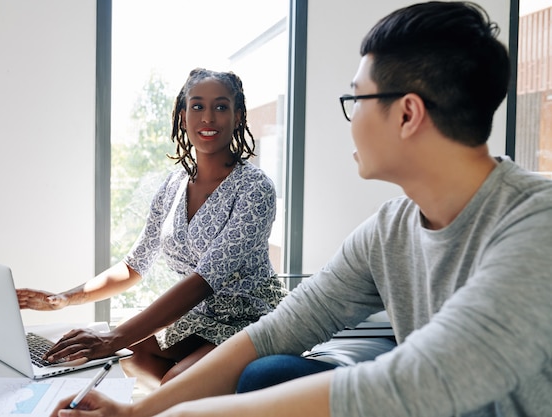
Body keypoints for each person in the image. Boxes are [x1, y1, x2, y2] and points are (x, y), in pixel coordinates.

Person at [50, 2, 552, 416]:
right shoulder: (387, 232)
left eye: (356, 99)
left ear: (406, 113)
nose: (351, 118)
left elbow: (420, 380)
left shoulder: (536, 224)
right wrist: (137, 412)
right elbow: (278, 330)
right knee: (266, 370)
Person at [17, 68, 287, 390]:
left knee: (169, 378)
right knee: (127, 353)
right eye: (198, 106)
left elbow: (204, 280)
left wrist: (110, 336)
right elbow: (134, 265)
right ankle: (193, 406)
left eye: (221, 106)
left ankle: (184, 400)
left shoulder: (255, 189)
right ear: (182, 115)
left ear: (238, 116)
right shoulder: (172, 186)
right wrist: (64, 298)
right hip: (202, 318)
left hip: (254, 319)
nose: (208, 118)